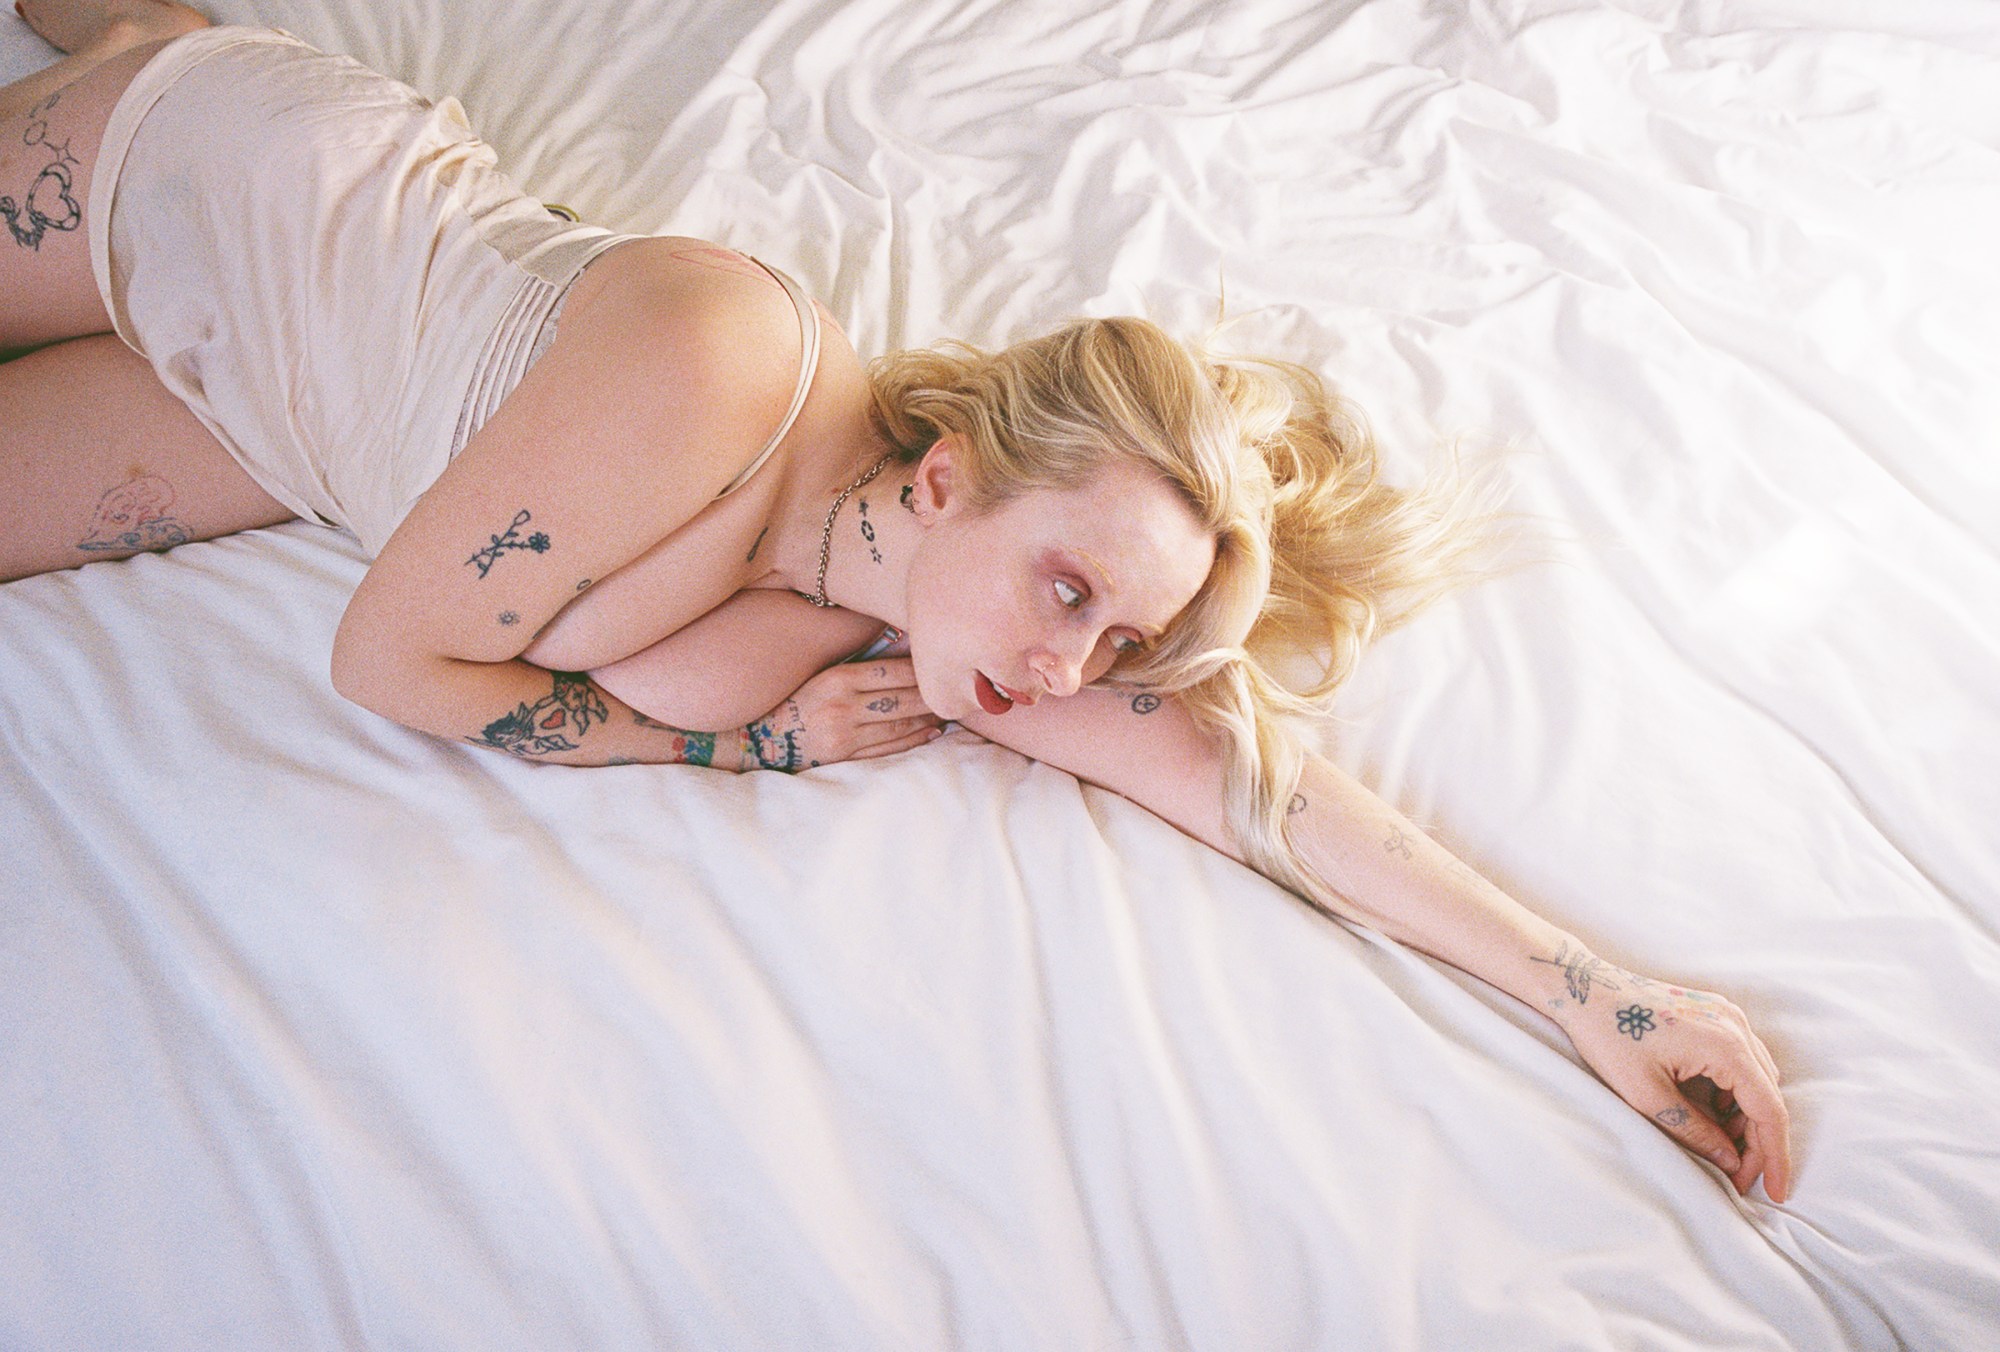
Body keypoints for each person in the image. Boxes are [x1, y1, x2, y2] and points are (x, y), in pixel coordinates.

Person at [1, 1, 1793, 1203]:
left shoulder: (940, 633)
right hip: (231, 188)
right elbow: (388, 657)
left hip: (276, 413)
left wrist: (1599, 999)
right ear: (948, 475)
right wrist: (733, 751)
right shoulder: (730, 362)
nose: (1064, 663)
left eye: (1113, 641)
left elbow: (1268, 802)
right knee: (176, 65)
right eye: (1073, 590)